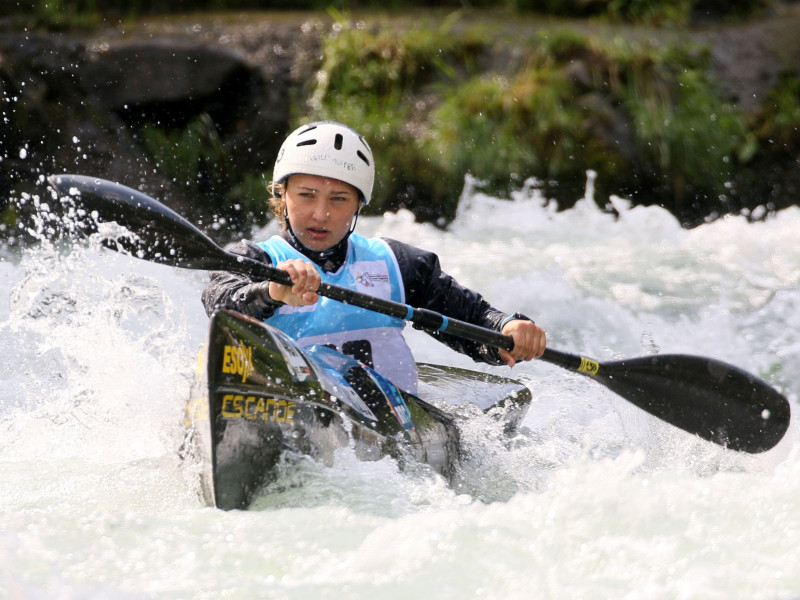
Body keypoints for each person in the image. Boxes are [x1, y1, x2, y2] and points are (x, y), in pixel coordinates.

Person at [202, 121, 546, 394]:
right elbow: (220, 304)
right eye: (306, 195)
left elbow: (472, 318)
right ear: (282, 193)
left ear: (358, 205)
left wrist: (506, 330)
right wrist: (271, 292)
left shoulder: (397, 264)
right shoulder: (252, 260)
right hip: (283, 407)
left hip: (386, 431)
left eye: (338, 199)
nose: (320, 214)